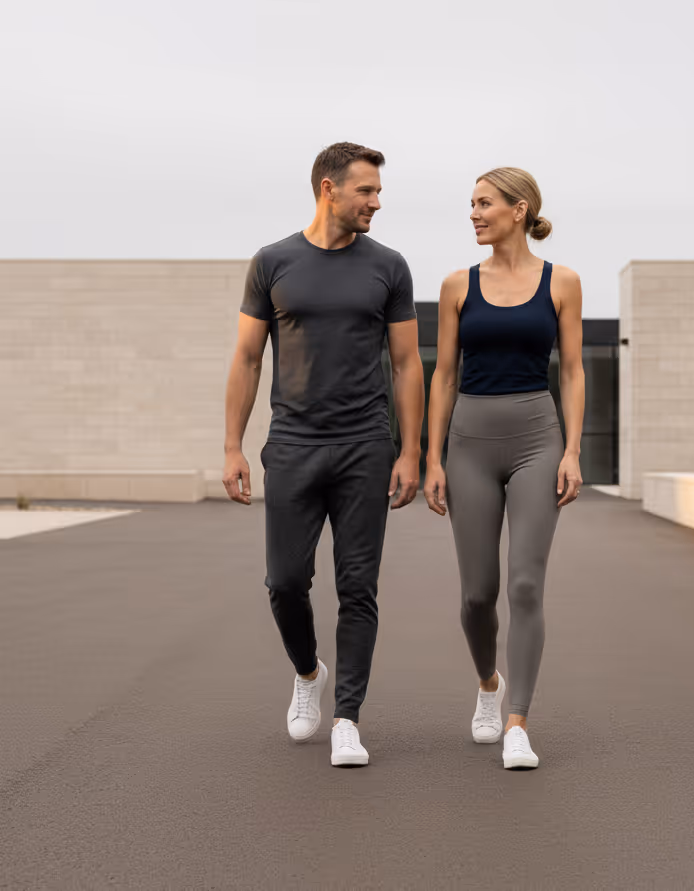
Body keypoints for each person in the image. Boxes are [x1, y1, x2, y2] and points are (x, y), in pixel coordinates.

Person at [222, 142, 424, 767]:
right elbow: (248, 358)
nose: (377, 202)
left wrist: (410, 450)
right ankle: (308, 671)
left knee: (358, 587)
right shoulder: (273, 262)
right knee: (285, 582)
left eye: (378, 191)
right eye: (366, 190)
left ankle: (347, 719)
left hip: (365, 445)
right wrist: (232, 445)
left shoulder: (389, 266)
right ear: (328, 189)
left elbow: (407, 363)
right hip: (292, 445)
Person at [424, 167, 584, 769]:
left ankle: (518, 721)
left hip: (538, 439)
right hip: (469, 442)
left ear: (519, 210)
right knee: (477, 595)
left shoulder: (562, 282)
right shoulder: (456, 286)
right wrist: (432, 458)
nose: (474, 213)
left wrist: (572, 450)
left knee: (524, 585)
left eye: (484, 203)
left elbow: (573, 370)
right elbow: (444, 375)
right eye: (471, 204)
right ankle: (488, 684)